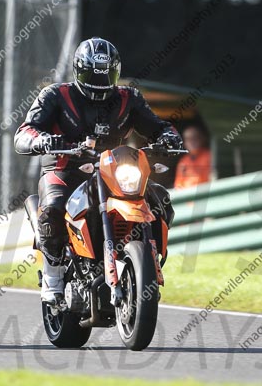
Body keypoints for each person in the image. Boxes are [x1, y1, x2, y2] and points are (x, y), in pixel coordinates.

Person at [14, 37, 182, 303]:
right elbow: (24, 132)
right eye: (92, 74)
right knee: (54, 207)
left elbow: (157, 126)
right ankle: (53, 274)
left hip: (113, 170)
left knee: (158, 198)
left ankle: (147, 261)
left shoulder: (130, 98)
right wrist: (43, 140)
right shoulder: (55, 95)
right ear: (79, 70)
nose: (99, 84)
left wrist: (169, 137)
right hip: (65, 168)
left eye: (104, 76)